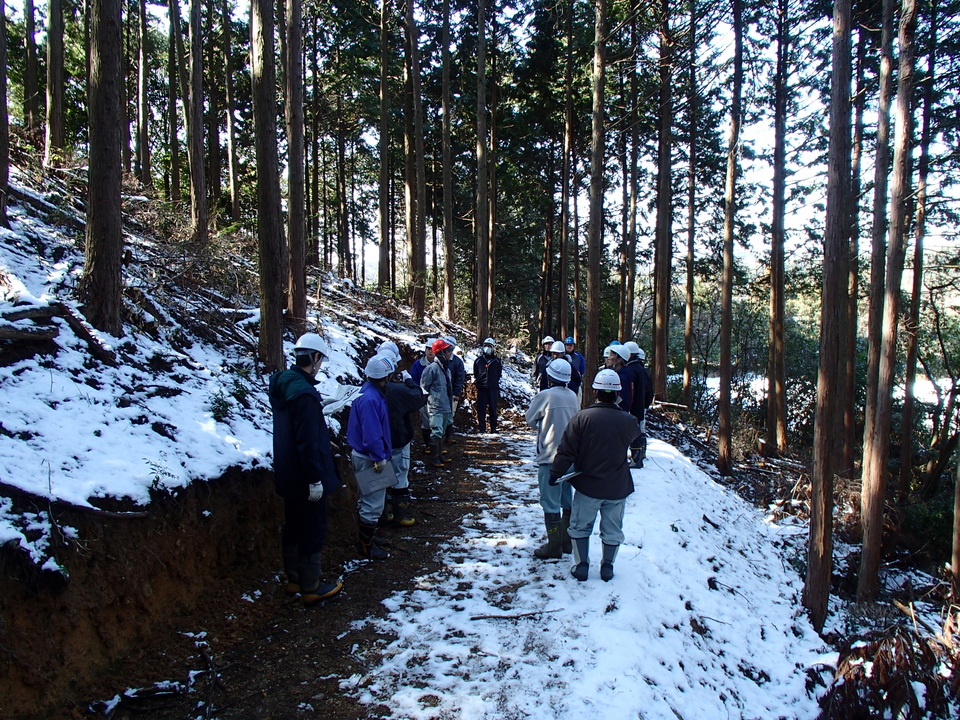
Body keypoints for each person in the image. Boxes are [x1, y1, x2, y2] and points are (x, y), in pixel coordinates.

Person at [268, 332, 343, 606]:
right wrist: (314, 479)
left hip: (287, 473)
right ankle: (311, 585)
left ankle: (294, 579)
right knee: (312, 527)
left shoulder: (285, 385)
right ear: (314, 357)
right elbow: (308, 441)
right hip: (305, 476)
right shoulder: (304, 395)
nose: (320, 365)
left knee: (293, 526)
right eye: (320, 359)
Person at [549, 368, 640, 582]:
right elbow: (638, 443)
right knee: (613, 528)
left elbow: (566, 451)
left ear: (595, 392)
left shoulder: (582, 418)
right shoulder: (628, 421)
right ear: (618, 393)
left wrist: (555, 473)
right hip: (617, 486)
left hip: (588, 485)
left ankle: (581, 565)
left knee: (580, 526)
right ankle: (607, 566)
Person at [525, 358, 580, 559]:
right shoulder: (573, 397)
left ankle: (554, 545)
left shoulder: (544, 396)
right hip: (569, 458)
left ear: (550, 376)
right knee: (567, 499)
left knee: (550, 502)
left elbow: (530, 419)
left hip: (549, 457)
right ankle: (566, 543)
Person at [346, 354, 395, 560]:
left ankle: (370, 538)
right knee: (373, 502)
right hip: (370, 457)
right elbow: (372, 432)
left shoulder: (369, 393)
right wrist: (378, 456)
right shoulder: (371, 399)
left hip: (368, 454)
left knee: (372, 499)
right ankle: (366, 545)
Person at [379, 342, 427, 526]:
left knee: (380, 477)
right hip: (399, 438)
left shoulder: (368, 390)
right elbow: (418, 397)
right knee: (400, 475)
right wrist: (408, 381)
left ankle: (383, 514)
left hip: (379, 443)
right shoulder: (398, 390)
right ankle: (400, 515)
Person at [420, 337, 455, 467]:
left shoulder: (446, 369)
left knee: (442, 431)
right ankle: (434, 458)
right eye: (448, 351)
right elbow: (424, 387)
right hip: (436, 406)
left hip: (446, 405)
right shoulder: (432, 369)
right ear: (441, 353)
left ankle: (440, 454)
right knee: (436, 431)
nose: (450, 353)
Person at [624, 341, 654, 468]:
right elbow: (649, 391)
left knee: (634, 434)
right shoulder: (641, 370)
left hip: (633, 407)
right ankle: (639, 456)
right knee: (639, 432)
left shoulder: (631, 370)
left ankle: (636, 459)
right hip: (639, 406)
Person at [473, 337, 502, 434]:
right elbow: (476, 372)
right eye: (486, 346)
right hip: (482, 388)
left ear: (493, 347)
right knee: (481, 409)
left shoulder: (497, 361)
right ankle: (482, 428)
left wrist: (493, 382)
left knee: (493, 409)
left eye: (489, 346)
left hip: (493, 388)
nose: (487, 348)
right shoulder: (478, 360)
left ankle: (493, 428)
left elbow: (498, 374)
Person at [409, 339, 435, 448]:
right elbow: (413, 379)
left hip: (436, 397)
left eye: (433, 349)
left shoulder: (440, 364)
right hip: (423, 397)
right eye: (428, 349)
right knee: (426, 420)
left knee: (437, 422)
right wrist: (419, 390)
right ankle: (428, 444)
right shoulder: (418, 364)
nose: (430, 352)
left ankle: (437, 445)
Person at [442, 335, 466, 445]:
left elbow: (459, 379)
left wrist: (456, 393)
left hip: (451, 393)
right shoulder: (439, 360)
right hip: (440, 393)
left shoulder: (457, 362)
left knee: (450, 415)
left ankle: (448, 436)